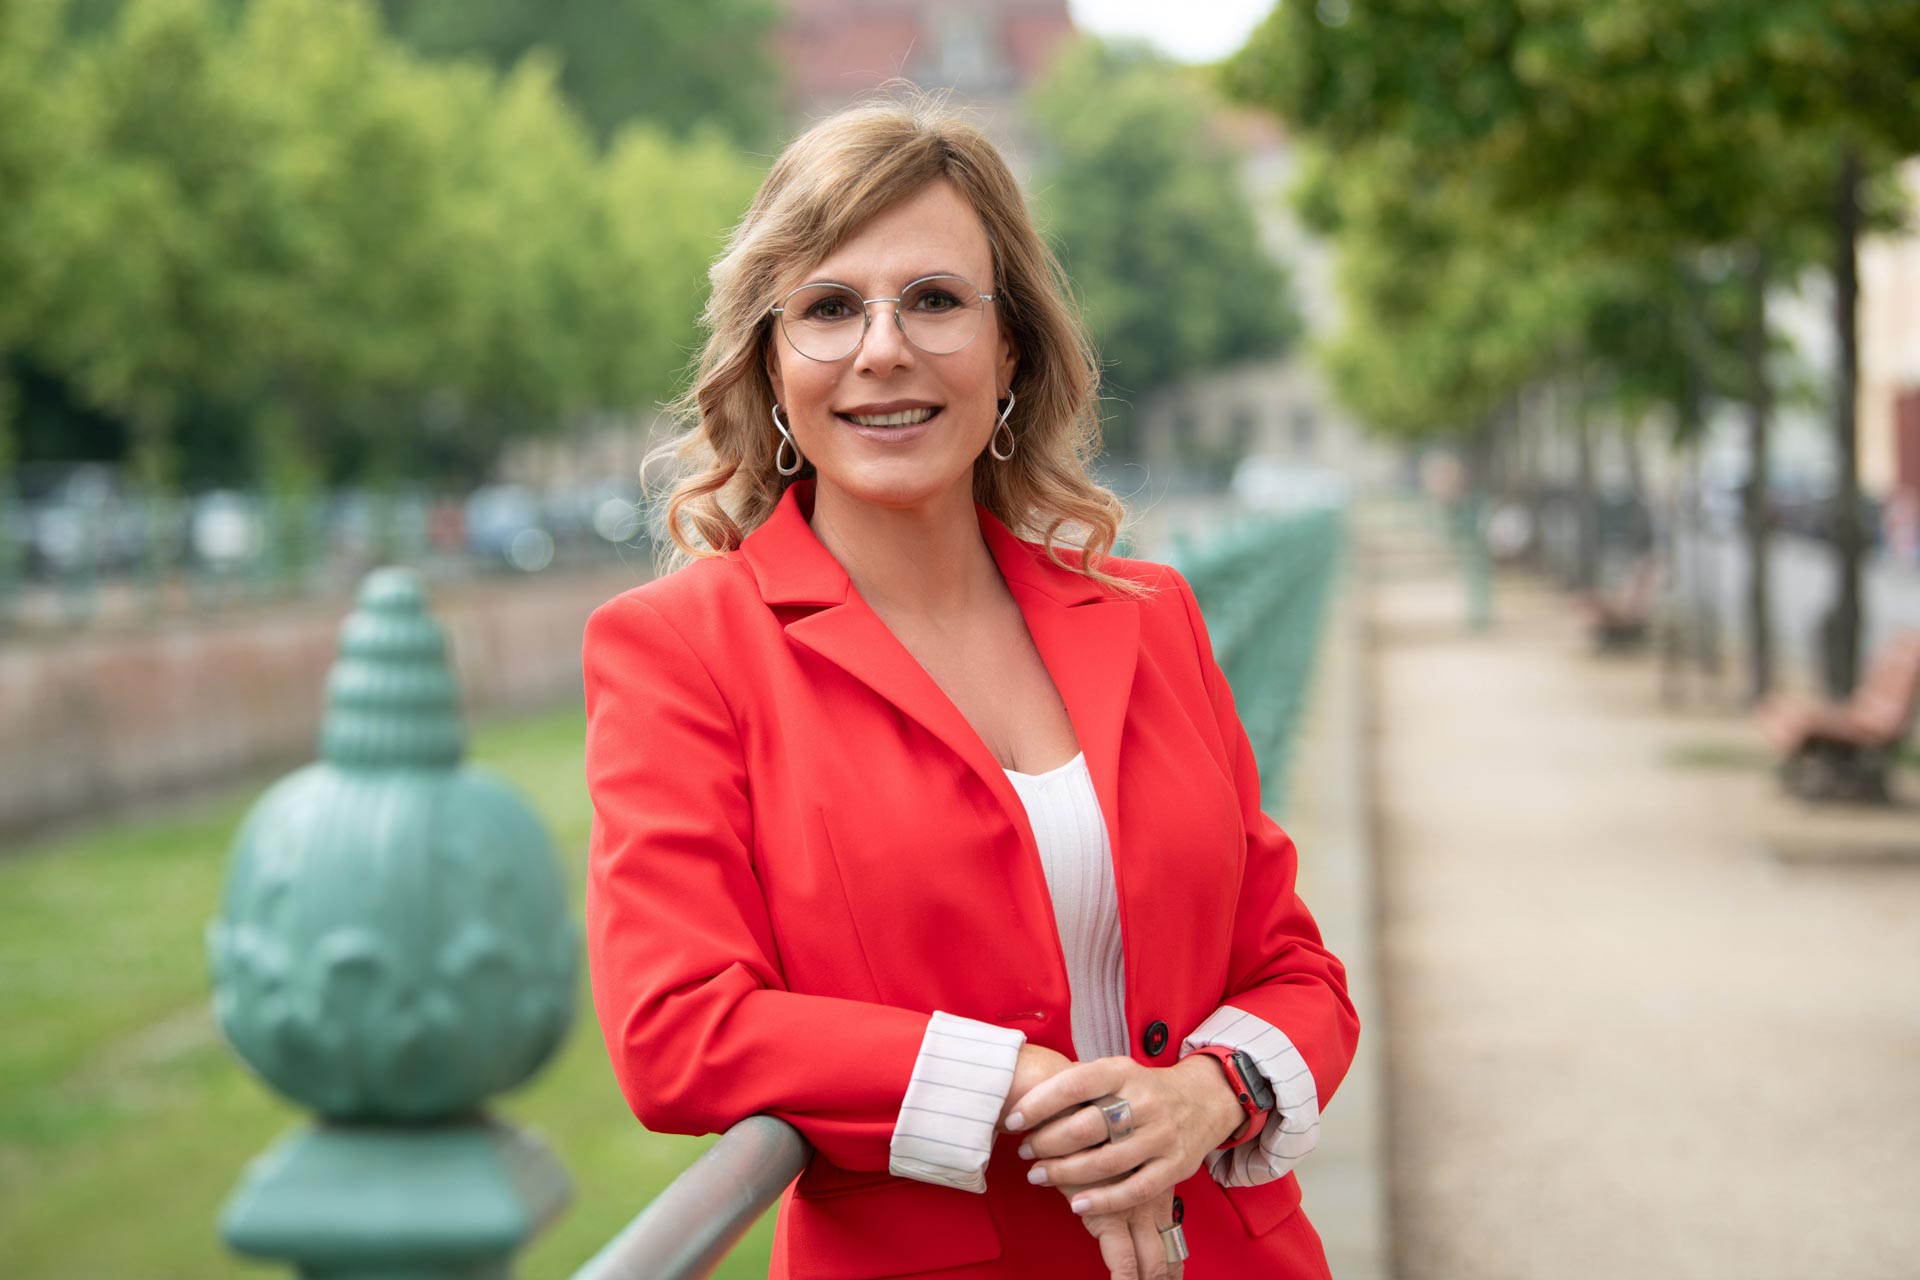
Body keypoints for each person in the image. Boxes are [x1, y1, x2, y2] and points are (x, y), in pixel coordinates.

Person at [582, 97, 1359, 1279]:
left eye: (935, 299)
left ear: (1011, 350)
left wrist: (1211, 1092)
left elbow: (1298, 972)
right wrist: (1012, 1079)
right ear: (772, 360)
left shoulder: (1153, 619)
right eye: (831, 307)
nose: (883, 347)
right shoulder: (680, 650)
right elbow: (676, 1025)